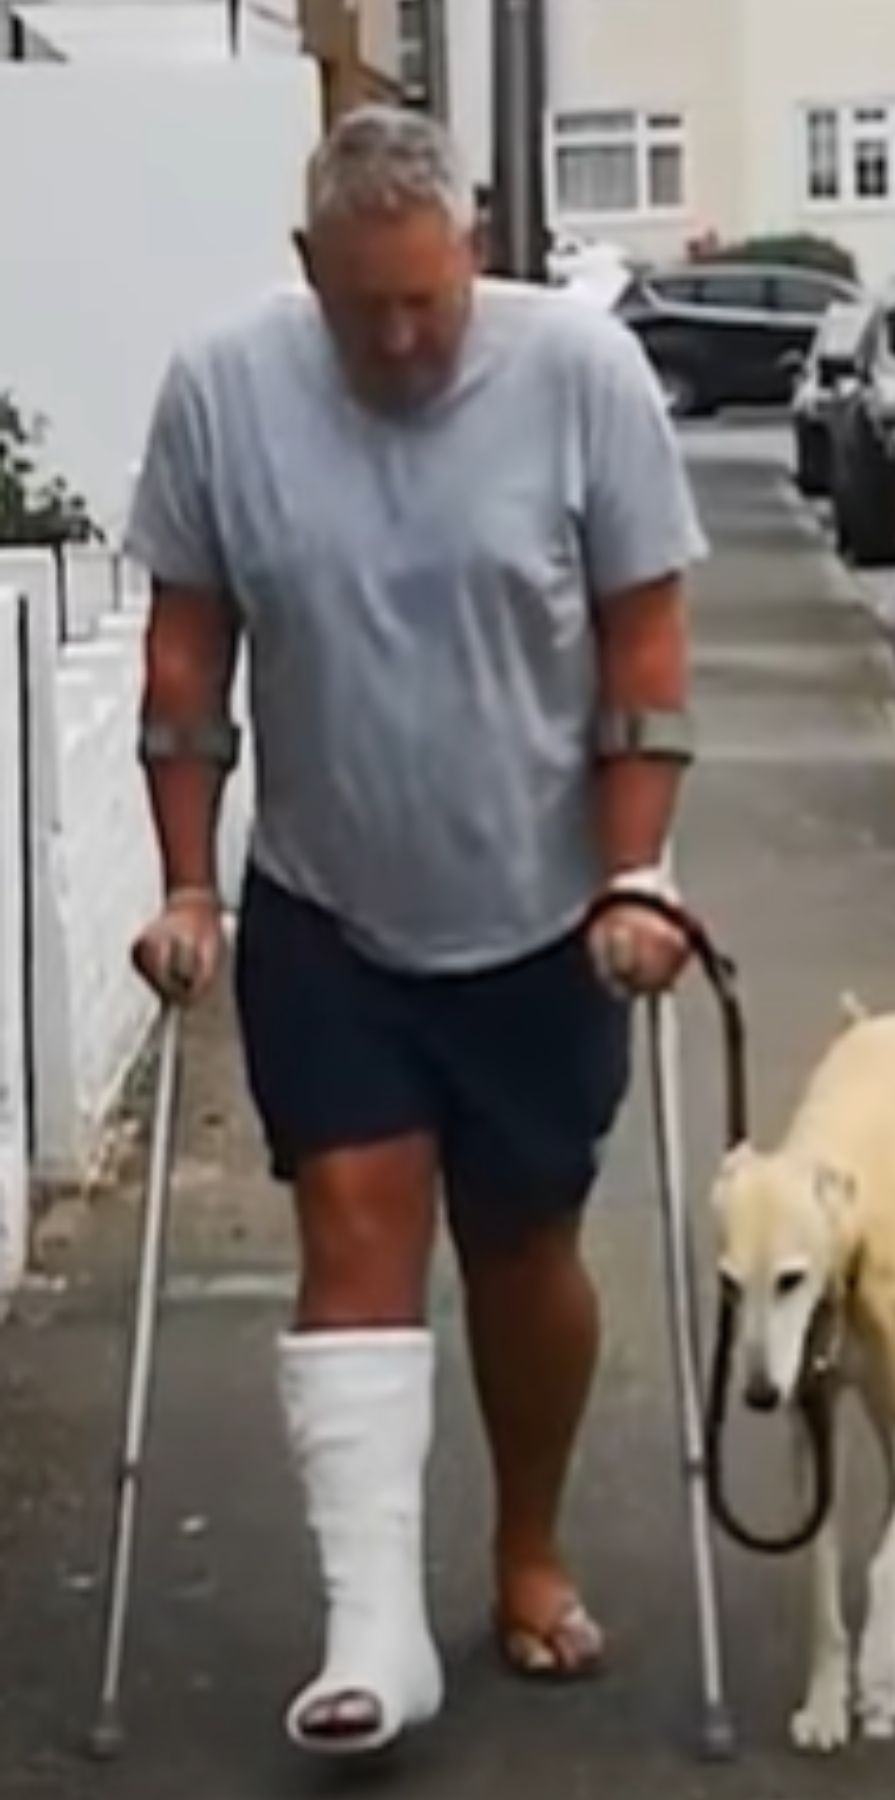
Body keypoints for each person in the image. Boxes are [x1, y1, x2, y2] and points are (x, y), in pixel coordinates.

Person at [125, 104, 706, 1758]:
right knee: (357, 1228)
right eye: (359, 303)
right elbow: (184, 669)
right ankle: (368, 1630)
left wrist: (638, 878)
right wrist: (183, 881)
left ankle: (525, 1555)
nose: (395, 338)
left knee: (524, 1249)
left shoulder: (580, 380)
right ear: (306, 269)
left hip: (544, 911)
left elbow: (647, 660)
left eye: (426, 301)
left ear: (479, 251)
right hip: (327, 899)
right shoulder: (227, 390)